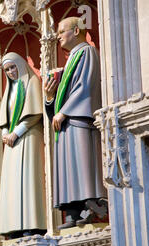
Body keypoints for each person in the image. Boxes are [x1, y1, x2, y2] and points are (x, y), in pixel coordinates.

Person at [44, 16, 108, 230]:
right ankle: (72, 211)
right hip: (65, 121)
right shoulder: (71, 57)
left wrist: (64, 112)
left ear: (77, 31)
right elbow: (62, 95)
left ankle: (89, 207)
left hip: (79, 118)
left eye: (62, 31)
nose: (58, 36)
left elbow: (85, 86)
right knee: (68, 167)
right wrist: (50, 97)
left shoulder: (87, 51)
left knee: (82, 164)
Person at [0, 52, 47, 239]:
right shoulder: (10, 89)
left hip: (28, 136)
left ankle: (32, 224)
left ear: (21, 65)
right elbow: (4, 118)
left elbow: (34, 113)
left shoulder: (31, 82)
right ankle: (14, 225)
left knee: (28, 179)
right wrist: (5, 134)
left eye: (12, 67)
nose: (10, 72)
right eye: (7, 70)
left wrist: (15, 132)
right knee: (13, 184)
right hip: (11, 141)